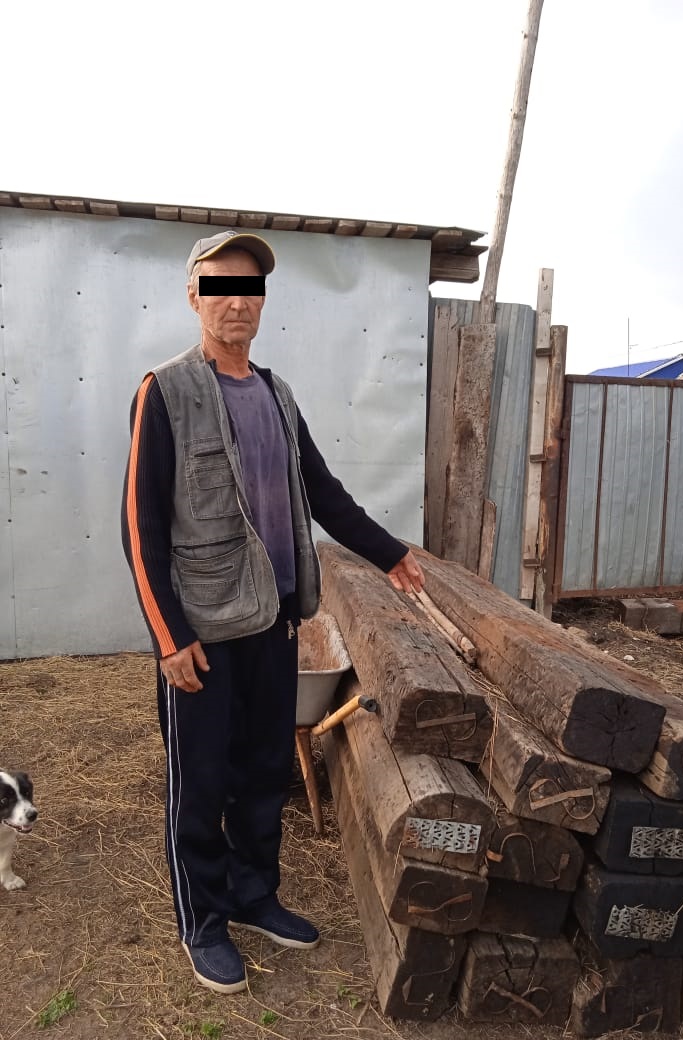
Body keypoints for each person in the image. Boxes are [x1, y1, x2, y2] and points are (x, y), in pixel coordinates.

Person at [121, 229, 424, 995]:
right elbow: (140, 524)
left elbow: (321, 493)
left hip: (276, 622)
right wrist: (169, 635)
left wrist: (389, 552)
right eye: (221, 288)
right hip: (203, 632)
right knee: (201, 782)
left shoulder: (277, 395)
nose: (237, 302)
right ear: (195, 297)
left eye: (250, 289)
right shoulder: (166, 391)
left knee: (262, 775)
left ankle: (254, 896)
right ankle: (203, 920)